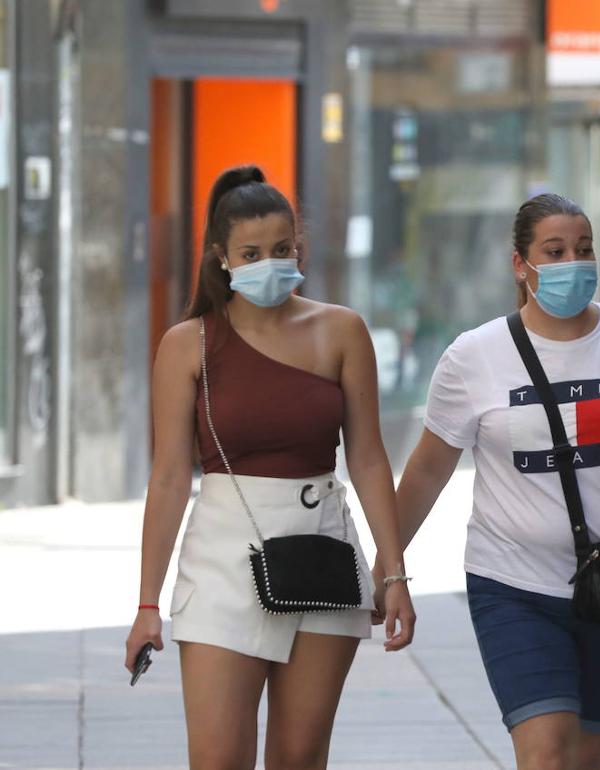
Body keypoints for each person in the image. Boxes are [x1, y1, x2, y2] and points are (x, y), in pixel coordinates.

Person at [388, 193, 600, 770]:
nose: (572, 264)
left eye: (583, 250)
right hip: (513, 586)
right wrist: (387, 566)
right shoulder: (475, 356)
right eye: (553, 252)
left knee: (588, 755)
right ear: (520, 264)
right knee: (547, 757)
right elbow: (428, 469)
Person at [123, 165, 416, 770]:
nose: (270, 264)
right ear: (221, 258)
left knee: (301, 756)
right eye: (251, 253)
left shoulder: (341, 330)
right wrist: (147, 604)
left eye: (282, 249)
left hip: (322, 548)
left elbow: (367, 457)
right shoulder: (188, 343)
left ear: (299, 245)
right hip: (223, 557)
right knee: (218, 759)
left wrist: (395, 575)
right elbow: (172, 477)